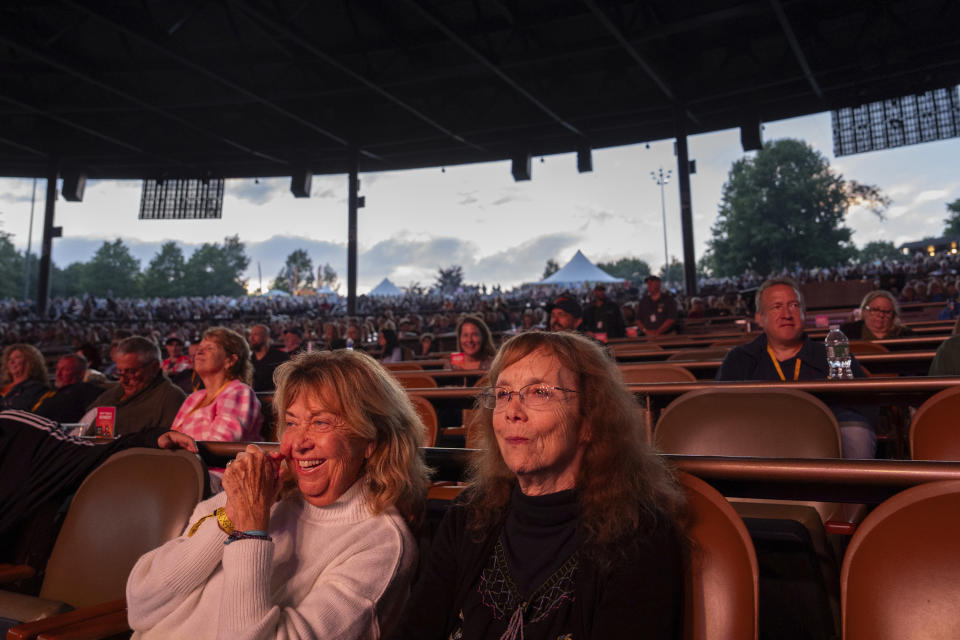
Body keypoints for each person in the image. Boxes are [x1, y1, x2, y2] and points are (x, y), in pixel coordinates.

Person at [126, 350, 430, 639]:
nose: (298, 442)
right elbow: (141, 604)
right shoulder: (262, 494)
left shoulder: (380, 545)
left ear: (371, 440)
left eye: (320, 422)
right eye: (293, 422)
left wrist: (250, 533)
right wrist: (230, 517)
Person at [401, 331, 686, 638]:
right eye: (503, 394)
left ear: (589, 420)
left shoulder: (638, 533)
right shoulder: (468, 513)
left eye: (539, 392)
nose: (512, 411)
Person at [716, 277, 876, 459]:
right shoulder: (740, 359)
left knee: (857, 433)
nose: (786, 314)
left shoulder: (833, 353)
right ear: (759, 318)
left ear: (803, 313)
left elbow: (863, 405)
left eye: (794, 305)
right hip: (757, 437)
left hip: (825, 433)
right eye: (776, 307)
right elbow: (723, 414)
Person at [170, 327, 263, 443]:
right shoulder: (193, 398)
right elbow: (172, 436)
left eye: (209, 348)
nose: (198, 352)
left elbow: (221, 444)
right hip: (183, 459)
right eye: (199, 348)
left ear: (230, 361)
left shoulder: (238, 391)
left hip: (210, 460)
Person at [85, 336, 186, 436]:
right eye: (120, 372)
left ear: (154, 367)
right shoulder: (112, 395)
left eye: (131, 372)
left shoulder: (170, 398)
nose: (123, 380)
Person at [32, 354, 105, 423]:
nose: (58, 374)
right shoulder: (50, 391)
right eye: (57, 369)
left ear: (80, 374)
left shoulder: (86, 390)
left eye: (65, 370)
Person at [839, 290, 916, 340]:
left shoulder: (906, 334)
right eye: (875, 309)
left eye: (887, 311)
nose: (881, 315)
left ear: (893, 315)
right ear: (864, 311)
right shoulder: (847, 332)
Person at [0, 344, 50, 411]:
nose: (11, 362)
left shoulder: (37, 389)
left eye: (17, 357)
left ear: (30, 361)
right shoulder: (4, 388)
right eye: (9, 359)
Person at [249, 324, 289, 391]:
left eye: (255, 335)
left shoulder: (280, 357)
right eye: (251, 335)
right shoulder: (249, 360)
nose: (251, 338)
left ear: (266, 337)